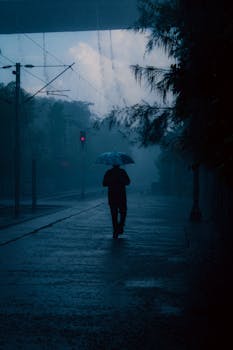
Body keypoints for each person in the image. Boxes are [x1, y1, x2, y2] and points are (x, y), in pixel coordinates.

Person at [103, 165, 130, 238]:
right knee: (115, 214)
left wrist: (120, 179)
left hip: (118, 196)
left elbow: (128, 182)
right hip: (115, 197)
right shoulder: (110, 172)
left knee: (120, 213)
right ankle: (116, 229)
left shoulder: (121, 172)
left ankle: (119, 227)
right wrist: (112, 180)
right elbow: (104, 183)